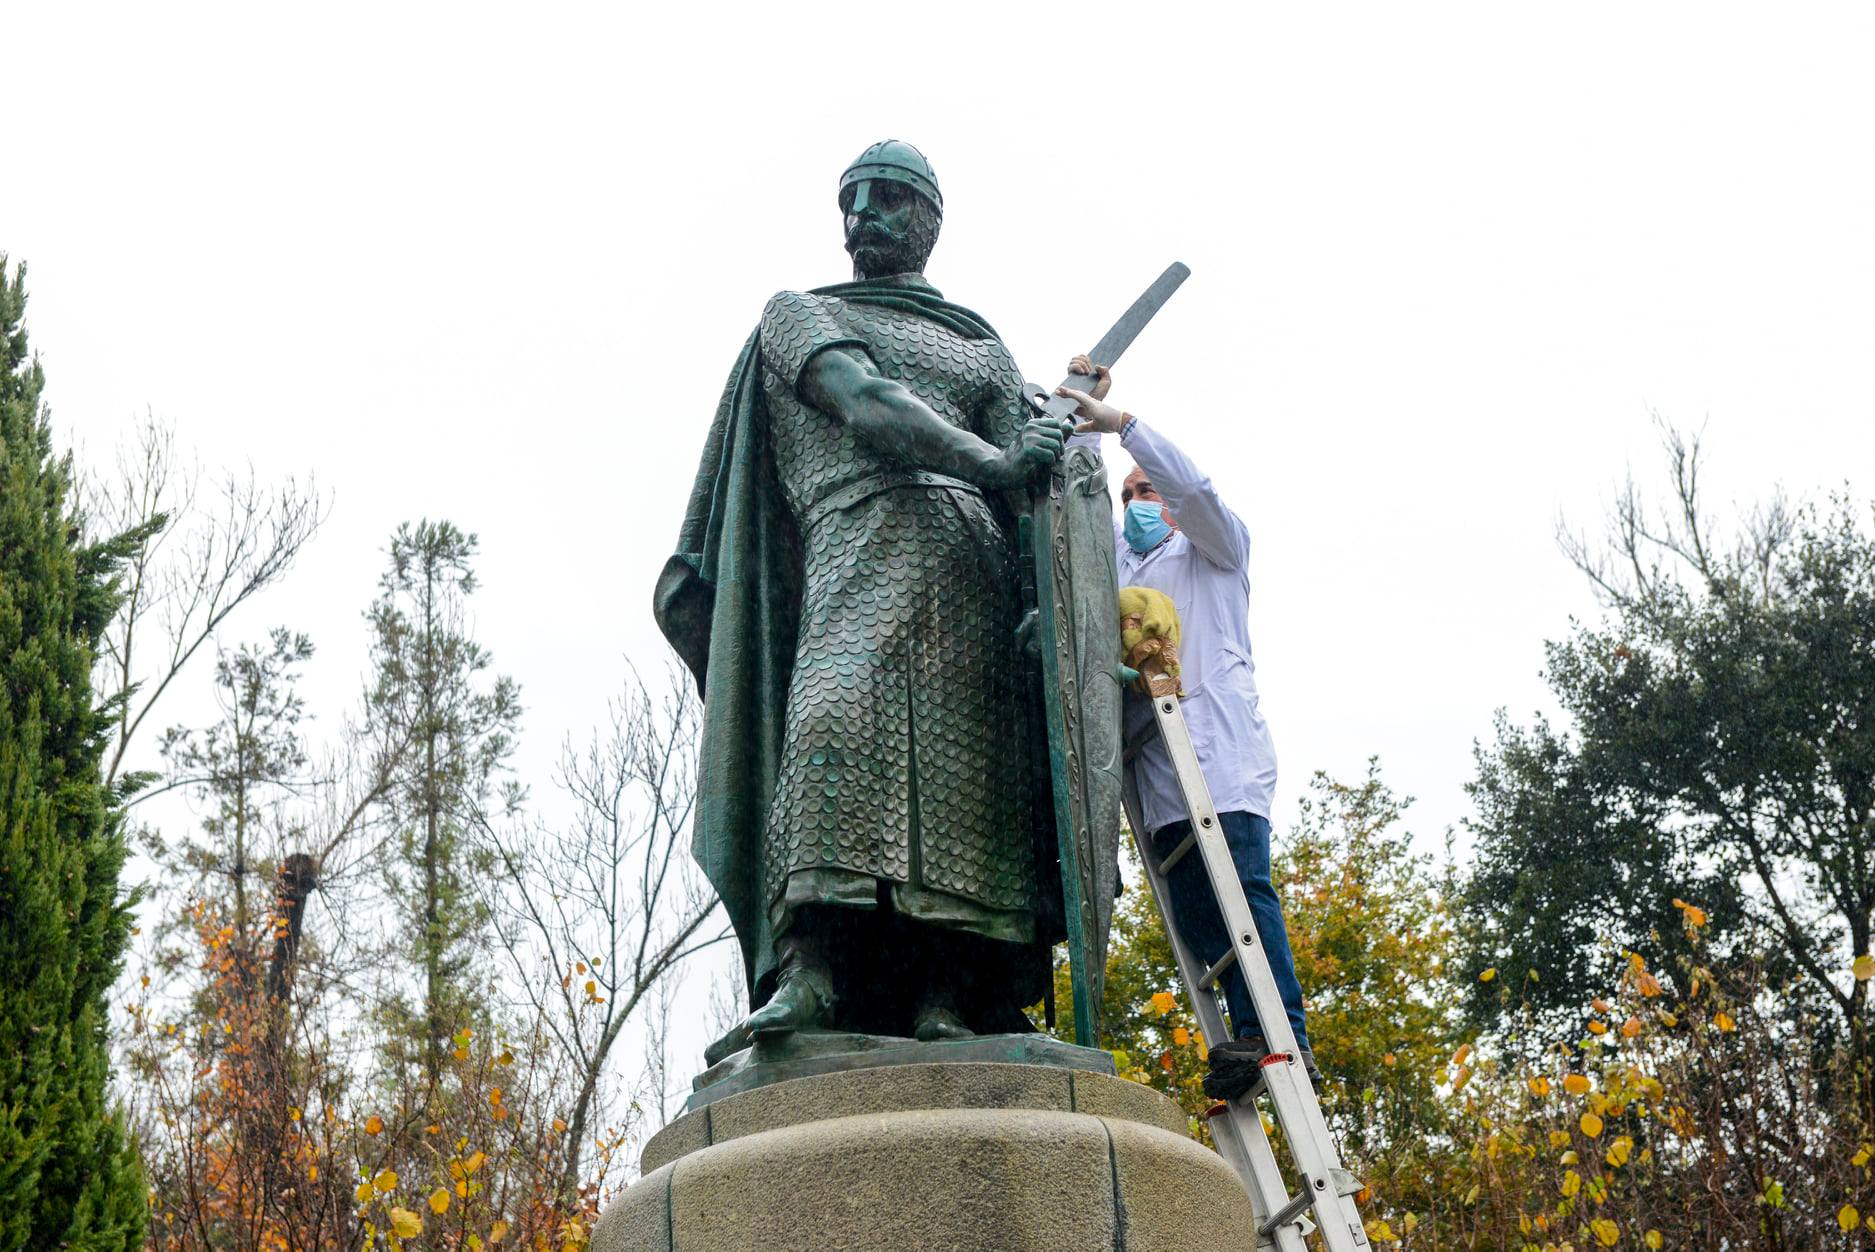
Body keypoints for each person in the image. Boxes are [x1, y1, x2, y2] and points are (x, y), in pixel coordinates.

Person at [655, 141, 1079, 1062]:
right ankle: (812, 973)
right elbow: (867, 403)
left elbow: (1033, 483)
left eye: (888, 198)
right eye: (852, 200)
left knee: (973, 781)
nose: (864, 216)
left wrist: (1050, 452)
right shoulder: (797, 315)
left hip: (973, 578)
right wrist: (997, 458)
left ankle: (950, 993)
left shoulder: (978, 344)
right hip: (856, 550)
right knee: (830, 732)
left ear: (929, 218)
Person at [1056, 356, 1320, 1094]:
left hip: (1221, 757)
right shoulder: (1119, 565)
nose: (1138, 501)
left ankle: (1282, 1037)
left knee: (1242, 888)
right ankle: (1242, 1043)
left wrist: (1127, 428)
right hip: (1160, 773)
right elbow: (1079, 526)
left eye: (1147, 491)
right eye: (1128, 494)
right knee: (1199, 914)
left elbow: (1193, 489)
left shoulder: (1213, 550)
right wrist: (1082, 425)